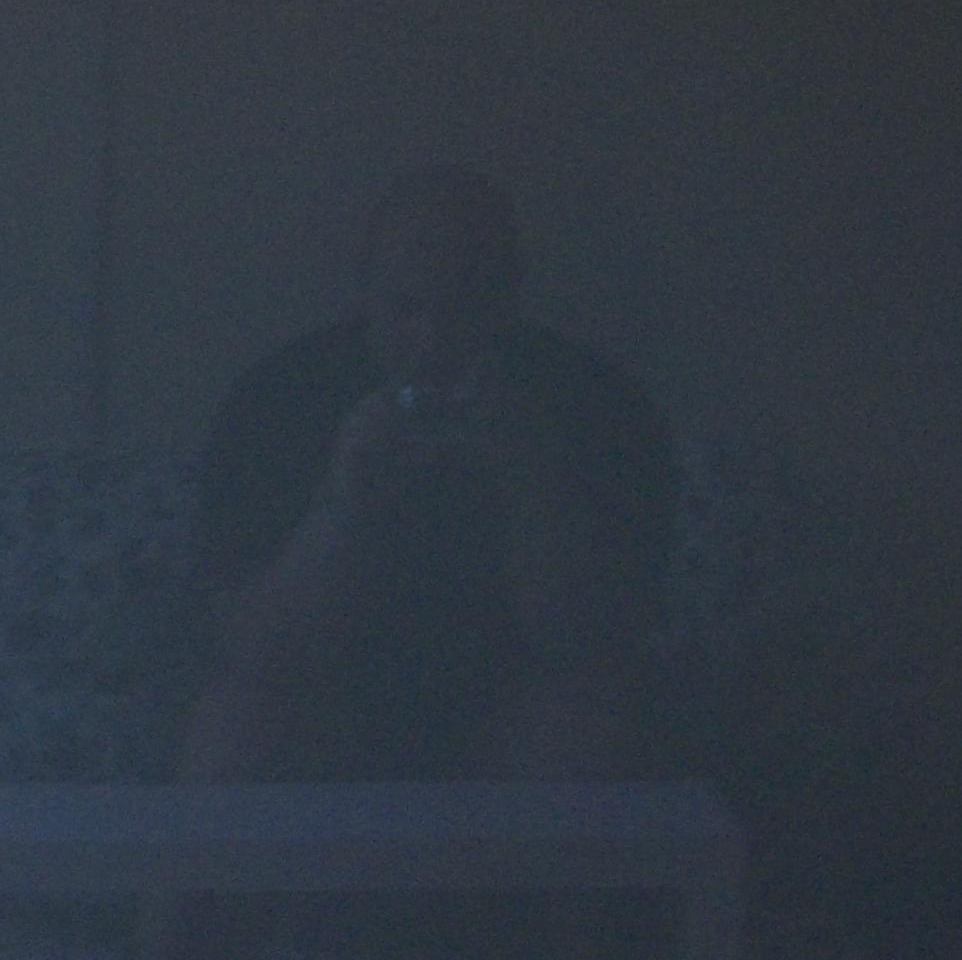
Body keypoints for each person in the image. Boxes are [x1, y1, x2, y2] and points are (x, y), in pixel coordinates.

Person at [181, 169, 677, 782]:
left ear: (508, 297)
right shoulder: (280, 400)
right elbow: (258, 651)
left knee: (592, 731)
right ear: (366, 291)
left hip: (520, 700)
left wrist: (531, 484)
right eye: (406, 308)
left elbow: (596, 643)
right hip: (332, 706)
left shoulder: (594, 405)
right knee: (234, 733)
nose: (433, 341)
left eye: (465, 309)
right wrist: (341, 502)